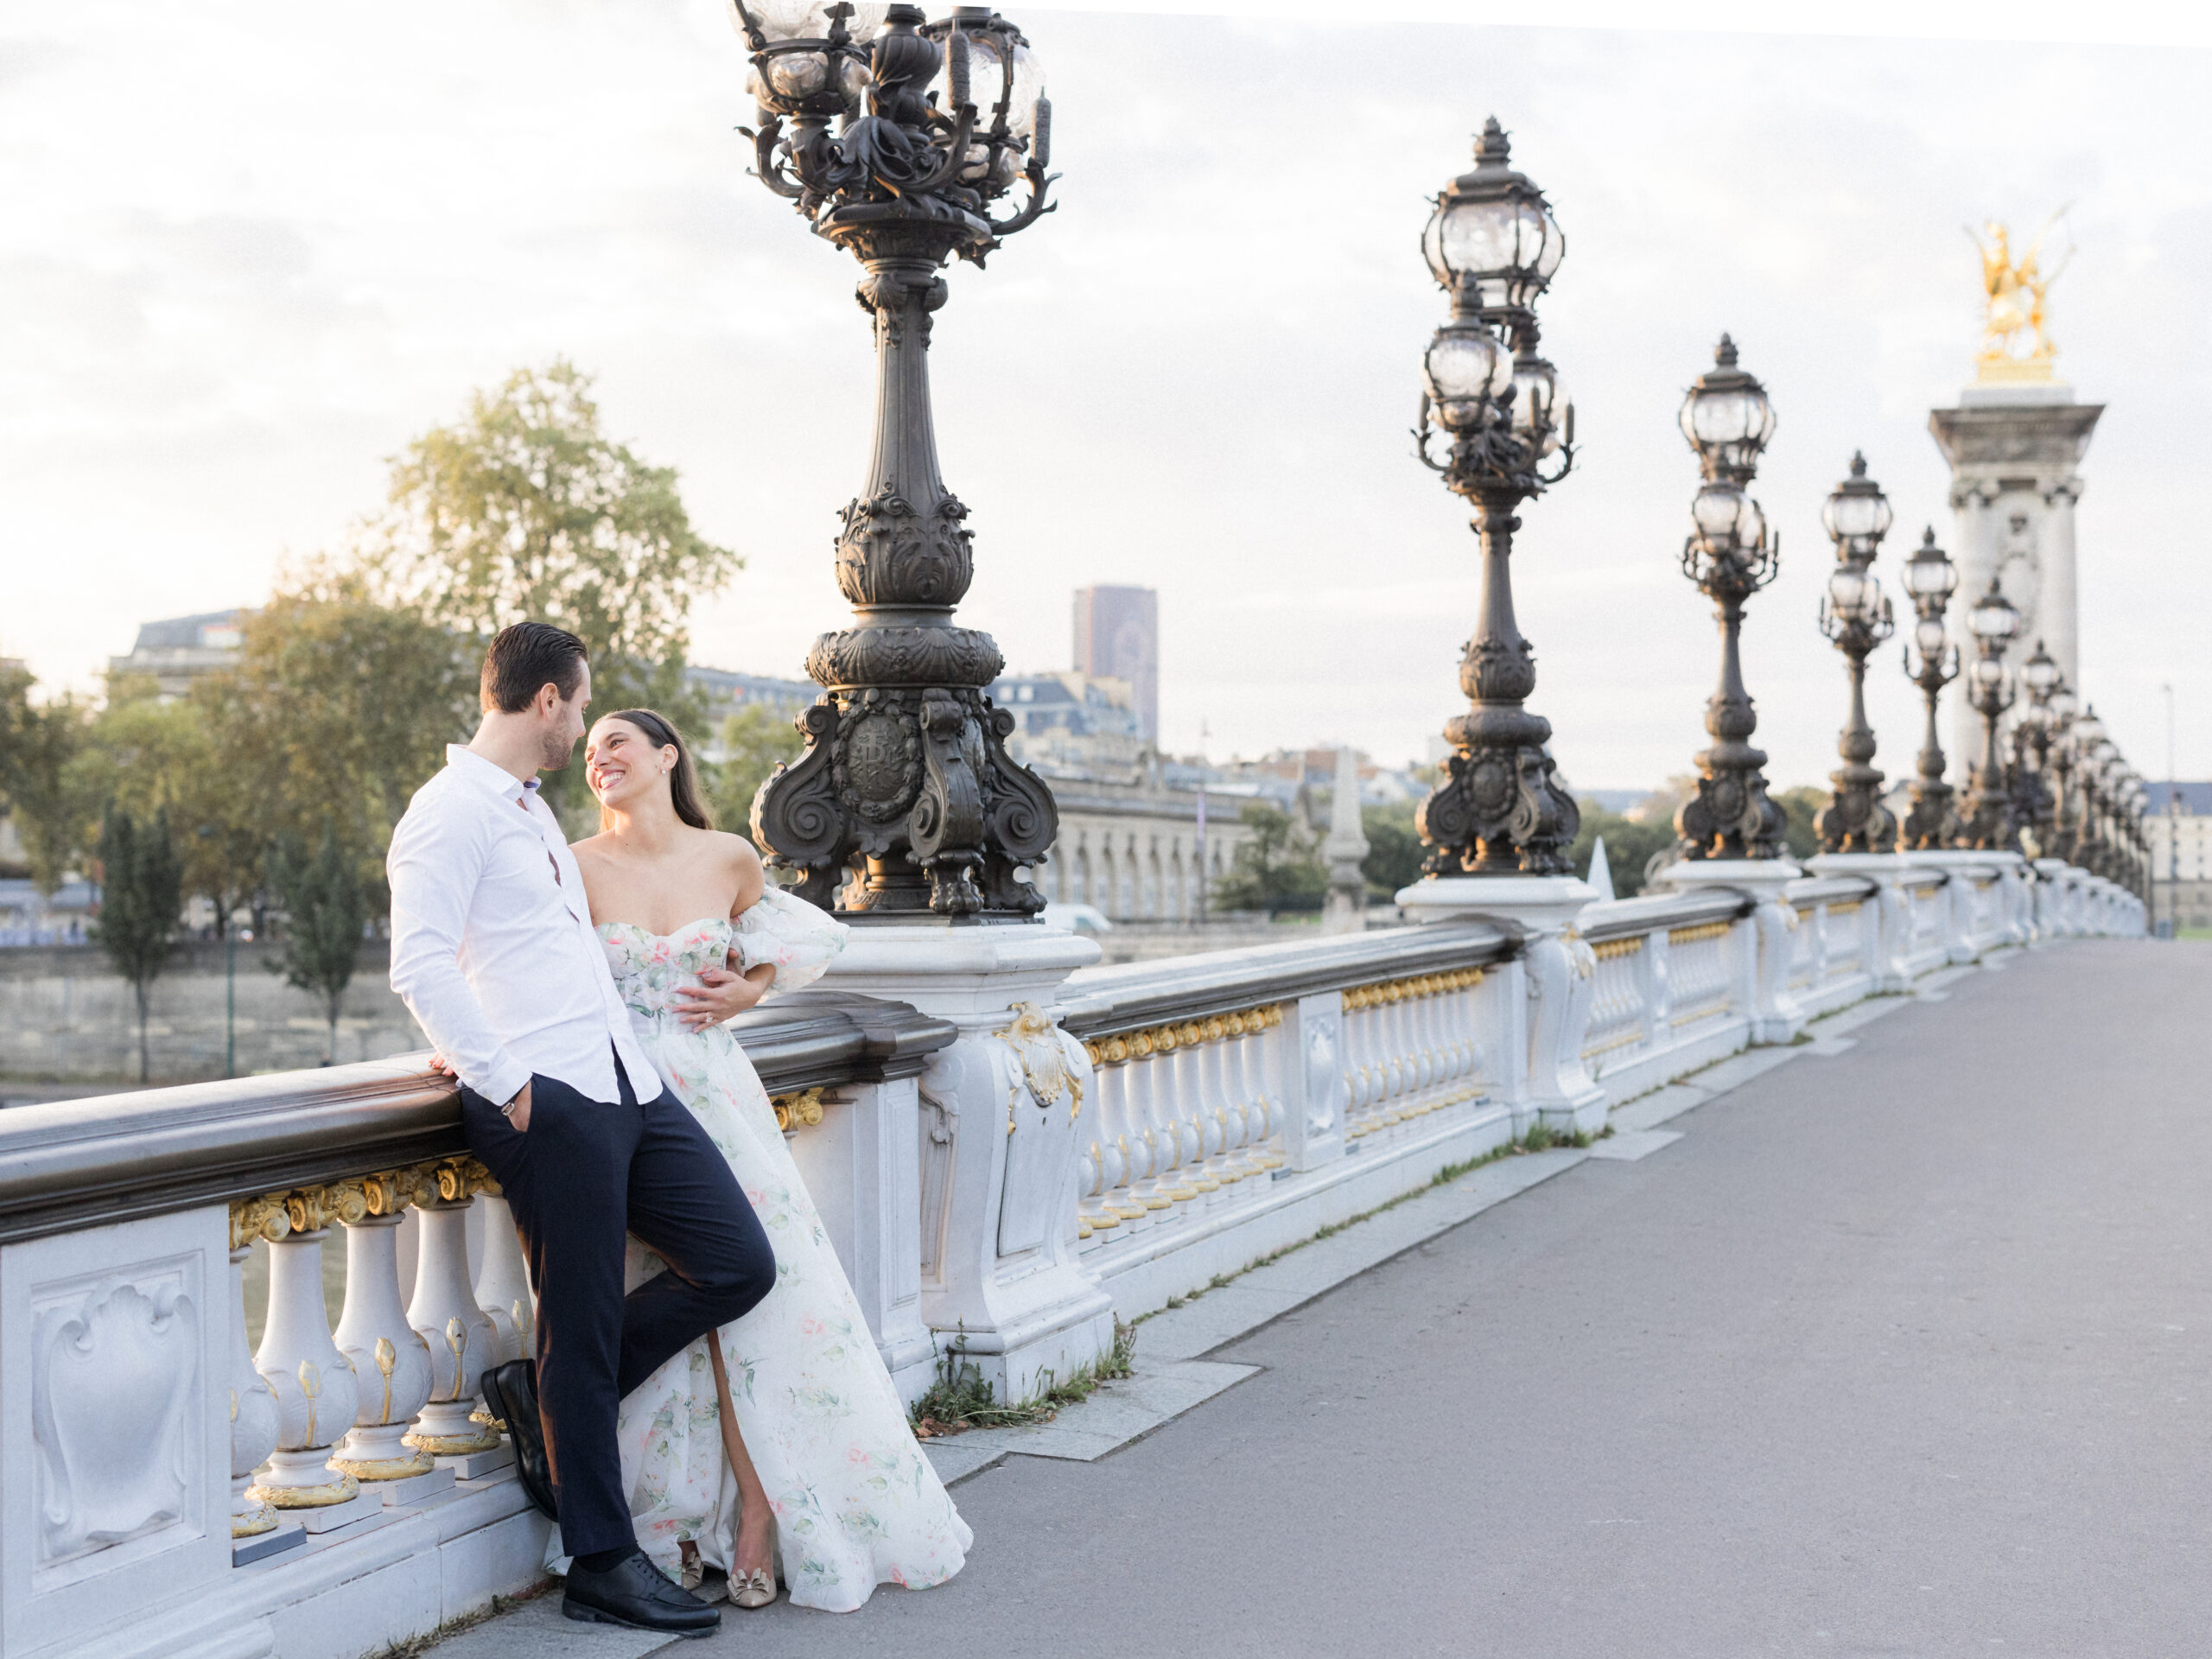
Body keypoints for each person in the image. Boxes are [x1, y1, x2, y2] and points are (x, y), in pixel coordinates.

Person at [387, 622, 774, 1640]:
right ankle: (602, 1560)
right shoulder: (447, 813)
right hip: (547, 1098)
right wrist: (503, 1080)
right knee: (584, 1317)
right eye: (583, 702)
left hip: (626, 1083)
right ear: (551, 700)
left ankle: (538, 1395)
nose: (582, 729)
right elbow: (420, 964)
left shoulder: (530, 815)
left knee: (738, 1262)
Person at [565, 705, 969, 1611]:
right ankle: (666, 1518)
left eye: (616, 744)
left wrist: (742, 992)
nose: (599, 760)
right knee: (664, 1305)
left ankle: (758, 1513)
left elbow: (806, 941)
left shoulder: (727, 859)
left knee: (761, 1300)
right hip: (621, 1097)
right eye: (589, 753)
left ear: (667, 754)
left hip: (717, 1095)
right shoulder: (573, 866)